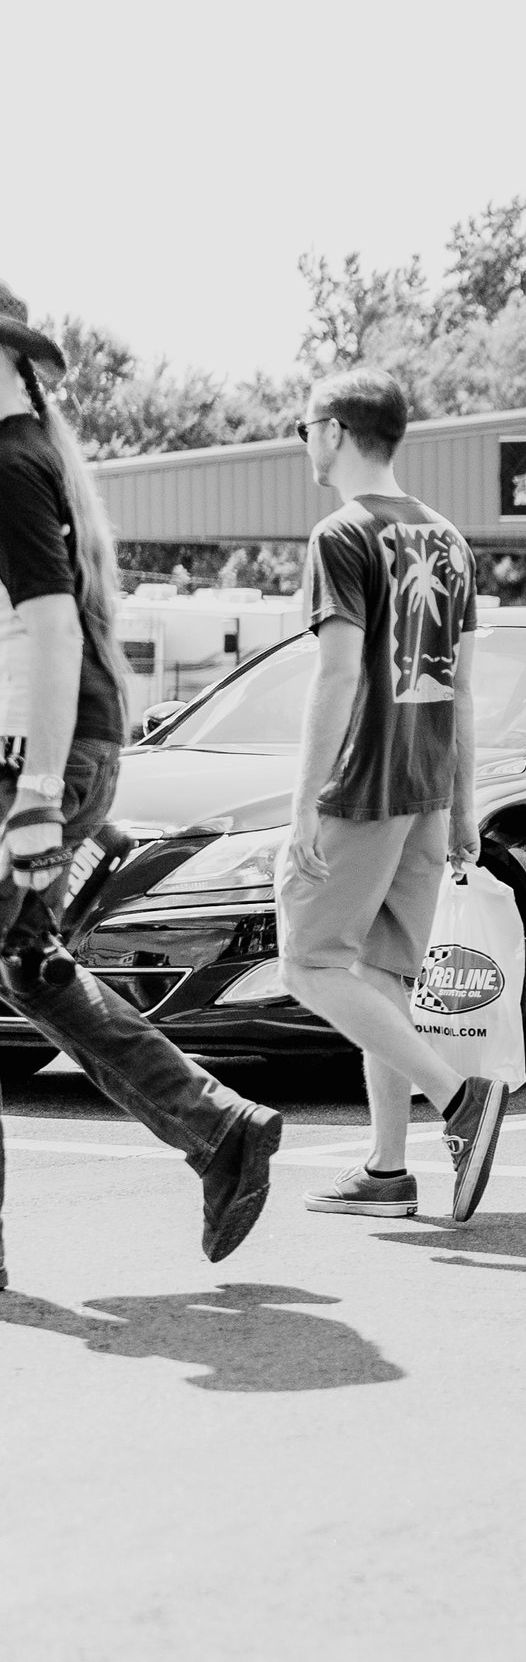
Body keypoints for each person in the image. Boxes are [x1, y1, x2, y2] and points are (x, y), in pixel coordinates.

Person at [0, 297, 283, 1276]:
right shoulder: (39, 454)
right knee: (29, 965)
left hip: (36, 760)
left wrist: (38, 791)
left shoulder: (7, 460)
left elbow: (49, 627)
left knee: (19, 964)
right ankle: (219, 1126)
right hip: (61, 748)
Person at [278, 368, 508, 1224]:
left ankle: (460, 1100)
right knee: (380, 977)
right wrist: (463, 803)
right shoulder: (449, 538)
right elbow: (464, 687)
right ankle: (385, 1171)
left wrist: (304, 805)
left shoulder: (341, 534)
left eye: (304, 428)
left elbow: (338, 675)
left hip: (362, 783)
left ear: (336, 430)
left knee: (308, 964)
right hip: (423, 787)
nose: (302, 443)